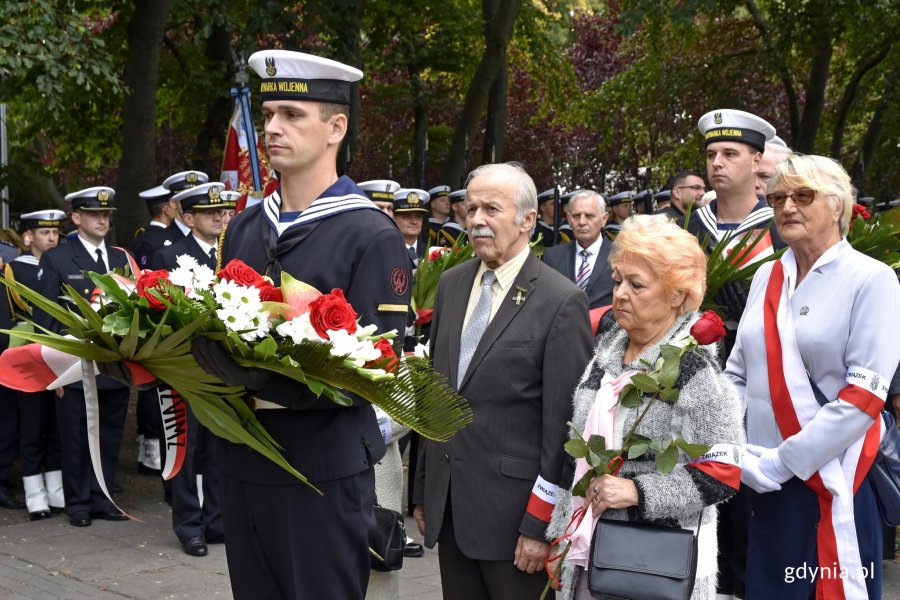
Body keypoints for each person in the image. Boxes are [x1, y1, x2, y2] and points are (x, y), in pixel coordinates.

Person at [189, 49, 410, 599]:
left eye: (292, 114)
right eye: (268, 116)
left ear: (336, 127)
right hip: (243, 462)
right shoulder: (241, 228)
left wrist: (256, 377)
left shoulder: (369, 235)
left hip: (321, 470)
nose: (272, 128)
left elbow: (373, 369)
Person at [413, 162, 593, 600]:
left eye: (491, 208)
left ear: (527, 220)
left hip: (514, 522)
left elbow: (565, 429)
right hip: (449, 508)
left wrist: (540, 524)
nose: (476, 220)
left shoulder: (560, 300)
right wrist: (422, 489)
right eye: (470, 208)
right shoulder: (453, 284)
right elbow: (434, 393)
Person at [726, 154, 899, 599]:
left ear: (838, 205)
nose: (787, 207)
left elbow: (864, 395)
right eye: (779, 197)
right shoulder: (767, 275)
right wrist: (733, 446)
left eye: (803, 196)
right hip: (760, 481)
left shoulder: (871, 279)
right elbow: (737, 373)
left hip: (835, 479)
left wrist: (783, 461)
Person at [548, 214, 745, 600]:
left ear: (677, 295)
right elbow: (576, 456)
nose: (619, 293)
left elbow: (724, 472)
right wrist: (561, 535)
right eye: (619, 280)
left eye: (636, 285)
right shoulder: (607, 350)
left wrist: (638, 491)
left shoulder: (693, 367)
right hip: (589, 553)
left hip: (656, 566)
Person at [35, 187, 132, 528]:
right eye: (94, 214)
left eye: (106, 214)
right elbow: (45, 320)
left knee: (109, 435)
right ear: (76, 218)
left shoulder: (121, 258)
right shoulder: (58, 258)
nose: (102, 220)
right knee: (75, 437)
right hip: (74, 367)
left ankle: (102, 498)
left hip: (115, 366)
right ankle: (77, 502)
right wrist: (55, 372)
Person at [151, 182, 227, 557]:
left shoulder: (232, 255)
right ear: (187, 216)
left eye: (222, 209)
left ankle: (215, 521)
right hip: (182, 367)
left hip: (224, 368)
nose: (219, 216)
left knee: (218, 447)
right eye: (208, 210)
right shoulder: (170, 256)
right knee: (183, 448)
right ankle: (188, 526)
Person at [9, 210, 65, 519]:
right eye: (45, 233)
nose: (52, 237)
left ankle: (55, 491)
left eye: (55, 232)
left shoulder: (61, 263)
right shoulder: (16, 269)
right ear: (28, 237)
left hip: (59, 355)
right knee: (33, 425)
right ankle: (34, 494)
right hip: (30, 355)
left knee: (57, 426)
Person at [543, 190, 614, 309]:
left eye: (589, 216)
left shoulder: (620, 255)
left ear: (604, 219)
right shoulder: (552, 256)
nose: (582, 222)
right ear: (569, 219)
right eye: (576, 216)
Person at [394, 188, 430, 266]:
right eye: (407, 216)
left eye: (418, 216)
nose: (414, 221)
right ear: (394, 218)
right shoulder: (389, 251)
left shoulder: (430, 252)